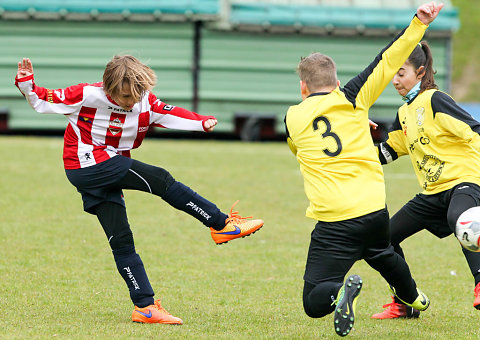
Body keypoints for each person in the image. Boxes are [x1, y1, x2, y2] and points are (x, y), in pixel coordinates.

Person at [15, 55, 264, 325]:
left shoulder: (142, 98)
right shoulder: (86, 94)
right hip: (87, 164)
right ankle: (221, 223)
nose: (131, 102)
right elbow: (42, 99)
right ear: (108, 88)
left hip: (107, 166)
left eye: (136, 96)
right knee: (160, 178)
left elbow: (167, 112)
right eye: (124, 97)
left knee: (122, 241)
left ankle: (144, 307)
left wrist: (200, 122)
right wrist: (27, 82)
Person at [284, 2, 443, 337]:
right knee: (381, 251)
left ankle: (341, 293)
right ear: (337, 81)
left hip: (335, 220)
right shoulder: (353, 97)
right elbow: (387, 58)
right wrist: (419, 22)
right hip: (372, 209)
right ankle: (414, 298)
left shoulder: (293, 117)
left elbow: (298, 147)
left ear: (303, 87)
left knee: (314, 302)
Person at [371, 39, 480, 319]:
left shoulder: (435, 100)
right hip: (433, 193)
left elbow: (475, 132)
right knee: (383, 239)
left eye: (401, 73)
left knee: (463, 219)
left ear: (420, 72)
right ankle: (405, 302)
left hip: (464, 182)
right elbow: (387, 152)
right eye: (392, 73)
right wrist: (349, 143)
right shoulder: (404, 112)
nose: (395, 80)